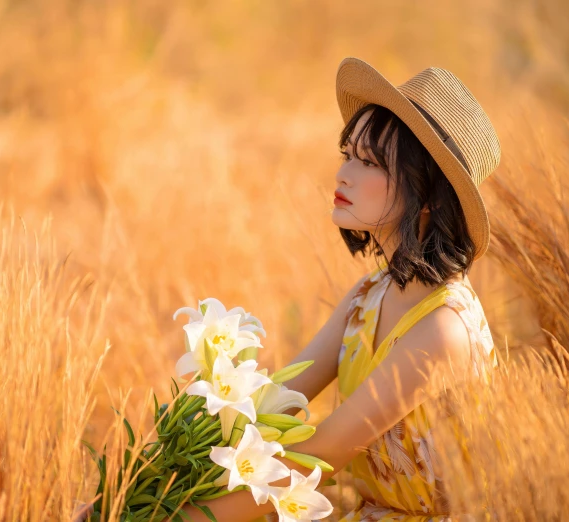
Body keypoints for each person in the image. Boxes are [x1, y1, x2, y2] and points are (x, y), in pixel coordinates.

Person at [149, 57, 501, 522]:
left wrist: (174, 518)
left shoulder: (443, 329)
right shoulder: (369, 296)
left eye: (370, 162)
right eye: (348, 154)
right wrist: (147, 488)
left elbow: (323, 452)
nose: (343, 174)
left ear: (431, 196)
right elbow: (276, 400)